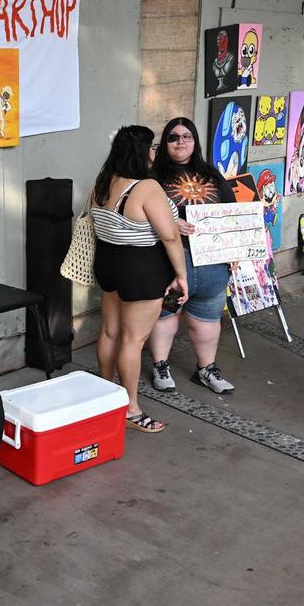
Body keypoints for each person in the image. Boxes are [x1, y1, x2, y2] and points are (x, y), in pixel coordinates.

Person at [90, 126, 188, 433]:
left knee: (109, 332)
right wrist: (181, 275)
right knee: (133, 340)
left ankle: (104, 396)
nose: (155, 152)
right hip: (141, 268)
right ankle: (130, 409)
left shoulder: (103, 182)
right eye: (153, 147)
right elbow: (170, 237)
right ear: (143, 152)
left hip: (108, 263)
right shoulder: (146, 187)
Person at [147, 117, 237, 395]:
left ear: (195, 141)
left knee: (208, 318)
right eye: (174, 137)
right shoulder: (152, 177)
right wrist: (169, 225)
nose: (181, 141)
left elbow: (231, 212)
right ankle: (160, 365)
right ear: (165, 143)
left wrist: (235, 249)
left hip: (211, 259)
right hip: (170, 258)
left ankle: (206, 369)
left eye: (187, 136)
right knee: (165, 315)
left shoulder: (212, 174)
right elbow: (139, 215)